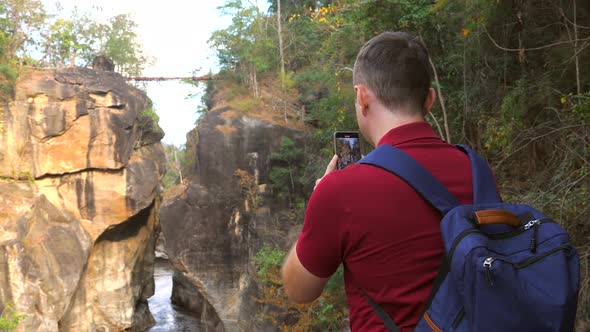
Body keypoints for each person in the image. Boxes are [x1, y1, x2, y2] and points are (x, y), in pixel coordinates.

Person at [281, 31, 475, 331]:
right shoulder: (477, 169)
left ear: (361, 96)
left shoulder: (340, 190)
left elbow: (298, 290)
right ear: (430, 100)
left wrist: (318, 204)